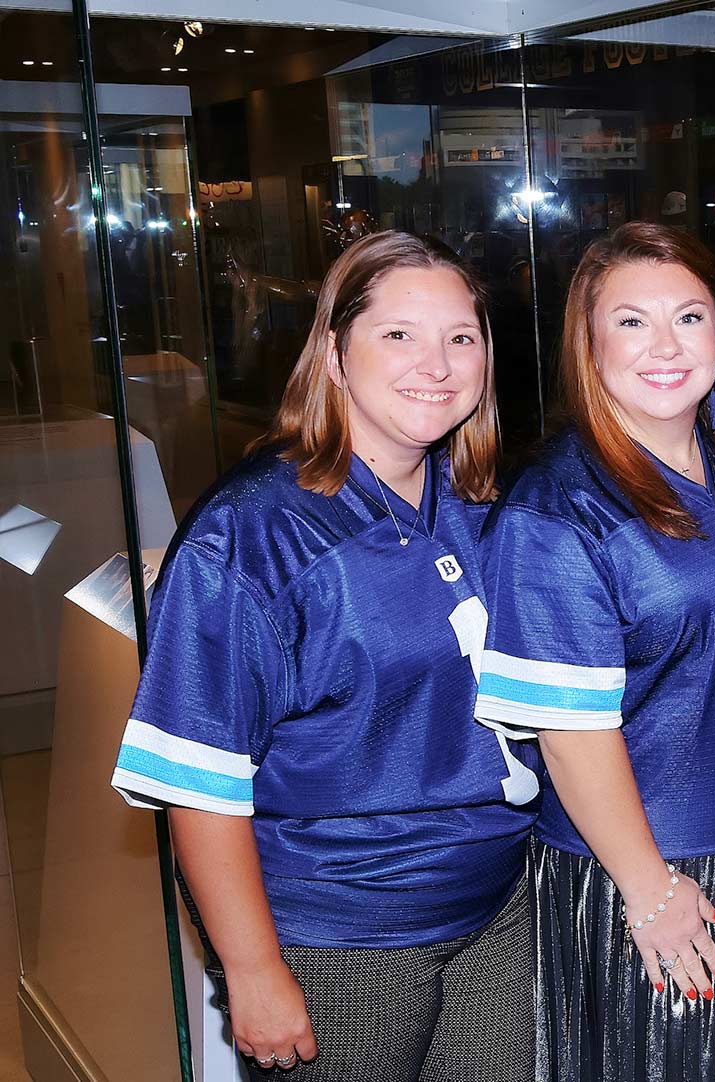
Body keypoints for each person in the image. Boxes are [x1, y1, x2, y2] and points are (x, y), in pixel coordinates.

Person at [110, 231, 537, 1081]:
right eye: (399, 335)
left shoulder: (480, 500)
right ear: (335, 353)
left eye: (462, 336)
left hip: (502, 912)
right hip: (342, 937)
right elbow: (199, 779)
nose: (439, 363)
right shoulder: (252, 534)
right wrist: (253, 969)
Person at [472, 223, 715, 1080]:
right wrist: (650, 890)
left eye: (690, 318)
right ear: (588, 345)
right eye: (631, 322)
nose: (666, 347)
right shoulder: (559, 506)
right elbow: (569, 732)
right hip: (649, 870)